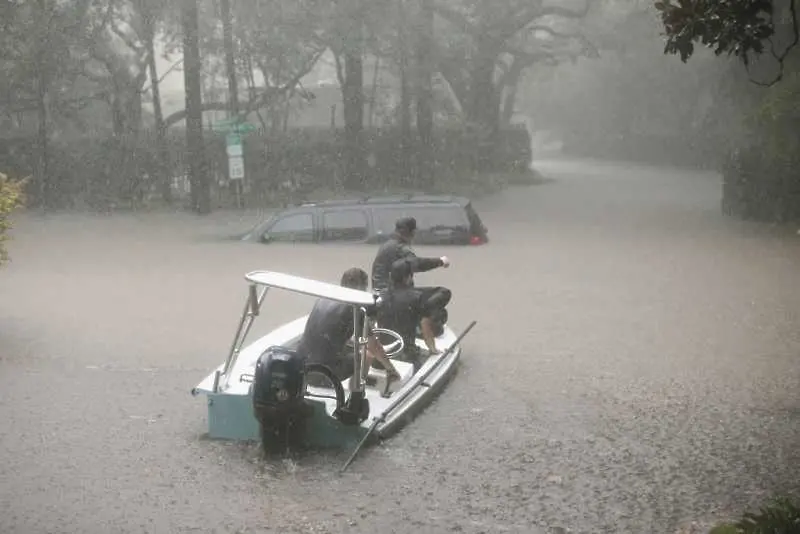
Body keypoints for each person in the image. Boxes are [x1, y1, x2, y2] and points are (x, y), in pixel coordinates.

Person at [297, 267, 401, 386]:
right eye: (364, 288)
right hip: (323, 374)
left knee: (348, 350)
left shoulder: (323, 299)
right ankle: (356, 397)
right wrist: (391, 369)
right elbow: (374, 346)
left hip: (302, 367)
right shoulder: (355, 309)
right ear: (359, 288)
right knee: (367, 355)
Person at [376, 258, 452, 371]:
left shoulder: (380, 296)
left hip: (384, 351)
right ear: (408, 277)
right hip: (405, 352)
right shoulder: (416, 298)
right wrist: (432, 349)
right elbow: (425, 324)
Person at [370, 216, 450, 294]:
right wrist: (440, 261)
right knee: (442, 293)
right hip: (392, 294)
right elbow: (418, 264)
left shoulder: (387, 245)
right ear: (413, 232)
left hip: (379, 291)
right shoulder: (401, 247)